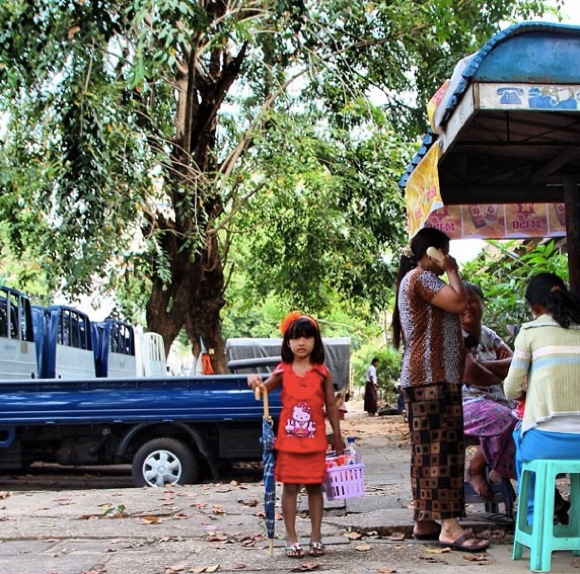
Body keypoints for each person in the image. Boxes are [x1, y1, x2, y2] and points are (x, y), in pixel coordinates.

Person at [392, 227, 489, 552]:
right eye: (444, 252)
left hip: (428, 378)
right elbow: (460, 301)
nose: (448, 257)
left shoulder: (417, 281)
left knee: (426, 453)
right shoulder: (422, 277)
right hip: (432, 378)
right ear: (434, 252)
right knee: (443, 452)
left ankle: (426, 521)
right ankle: (449, 525)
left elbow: (459, 330)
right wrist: (451, 270)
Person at [247, 312, 346, 559]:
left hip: (315, 442)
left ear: (316, 341)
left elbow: (331, 407)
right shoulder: (282, 370)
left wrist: (337, 435)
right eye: (296, 338)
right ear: (287, 343)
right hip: (289, 443)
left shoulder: (322, 373)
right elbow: (263, 390)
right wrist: (254, 382)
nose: (301, 343)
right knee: (289, 488)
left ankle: (316, 536)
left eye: (307, 337)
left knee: (315, 488)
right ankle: (291, 538)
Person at [504, 272, 580, 524]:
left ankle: (532, 517)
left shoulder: (530, 331)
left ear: (533, 306)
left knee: (520, 435)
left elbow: (510, 390)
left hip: (546, 443)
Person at [460, 281, 517, 500]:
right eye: (461, 302)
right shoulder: (453, 335)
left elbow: (516, 363)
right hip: (466, 405)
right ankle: (477, 470)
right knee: (507, 420)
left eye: (472, 300)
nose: (467, 307)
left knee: (523, 423)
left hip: (498, 401)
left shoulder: (488, 334)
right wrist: (498, 371)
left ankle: (494, 469)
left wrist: (482, 368)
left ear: (482, 303)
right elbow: (471, 375)